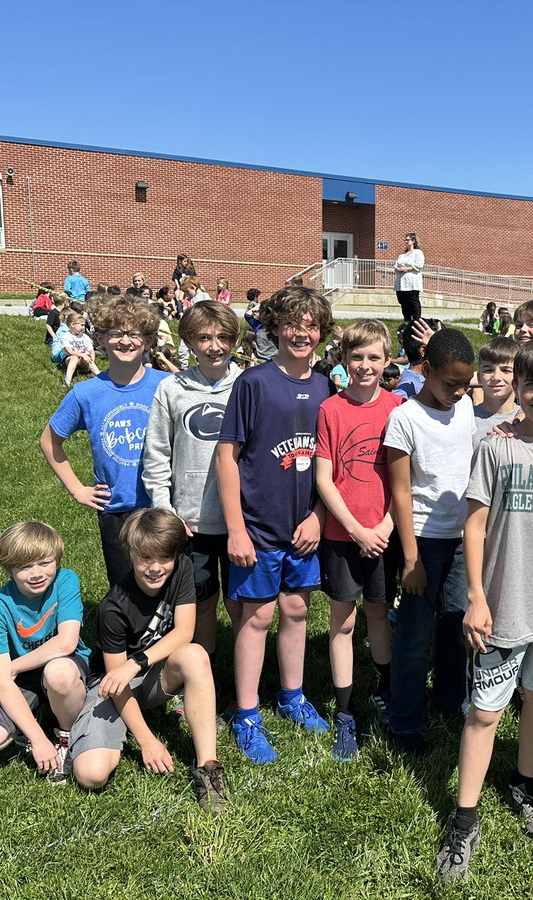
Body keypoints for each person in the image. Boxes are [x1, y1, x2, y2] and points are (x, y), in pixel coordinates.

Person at [435, 340, 533, 881]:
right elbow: (474, 524)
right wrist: (476, 596)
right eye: (532, 385)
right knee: (484, 713)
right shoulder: (496, 448)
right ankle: (464, 817)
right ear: (517, 388)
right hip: (500, 605)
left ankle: (525, 787)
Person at [216, 284, 334, 763]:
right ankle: (246, 713)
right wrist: (236, 528)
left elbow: (335, 463)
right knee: (257, 615)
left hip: (303, 526)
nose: (300, 333)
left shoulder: (329, 386)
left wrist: (320, 516)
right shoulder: (254, 382)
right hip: (259, 525)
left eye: (310, 325)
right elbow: (227, 456)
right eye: (291, 323)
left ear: (322, 333)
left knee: (297, 611)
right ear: (273, 327)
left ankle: (292, 696)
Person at [65, 509, 227, 810]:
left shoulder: (182, 570)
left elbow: (184, 631)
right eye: (145, 559)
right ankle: (89, 731)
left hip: (145, 673)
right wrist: (147, 740)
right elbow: (116, 685)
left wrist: (135, 662)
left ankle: (208, 767)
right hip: (111, 689)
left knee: (195, 655)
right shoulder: (112, 608)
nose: (155, 568)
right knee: (90, 774)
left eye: (164, 558)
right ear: (130, 555)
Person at [384, 327, 477, 756]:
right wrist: (410, 559)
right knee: (414, 636)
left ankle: (446, 701)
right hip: (422, 540)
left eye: (465, 385)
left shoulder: (466, 410)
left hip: (462, 541)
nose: (459, 393)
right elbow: (400, 491)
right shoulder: (404, 418)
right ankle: (403, 722)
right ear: (426, 370)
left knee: (455, 628)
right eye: (451, 383)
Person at [314, 319, 402, 760]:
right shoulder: (331, 409)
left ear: (388, 361)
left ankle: (385, 688)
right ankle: (345, 712)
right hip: (343, 533)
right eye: (357, 357)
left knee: (379, 612)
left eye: (374, 357)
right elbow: (324, 478)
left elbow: (409, 479)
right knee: (343, 621)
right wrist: (355, 529)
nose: (365, 365)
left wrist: (385, 528)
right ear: (343, 361)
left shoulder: (398, 409)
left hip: (385, 535)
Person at [40, 296, 169, 586]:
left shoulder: (166, 386)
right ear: (100, 338)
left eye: (134, 333)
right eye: (116, 333)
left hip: (163, 503)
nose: (125, 341)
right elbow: (49, 441)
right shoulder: (86, 393)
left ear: (147, 341)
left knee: (168, 585)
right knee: (126, 586)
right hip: (116, 508)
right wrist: (77, 490)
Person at [143, 301, 243, 664]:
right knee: (200, 604)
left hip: (240, 523)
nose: (214, 346)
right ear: (187, 340)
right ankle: (204, 676)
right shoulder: (172, 389)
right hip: (189, 522)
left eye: (222, 337)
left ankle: (243, 685)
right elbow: (156, 454)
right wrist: (165, 510)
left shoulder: (247, 386)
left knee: (240, 605)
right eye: (203, 337)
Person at [0, 522, 91, 784]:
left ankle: (66, 736)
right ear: (9, 569)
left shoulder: (65, 580)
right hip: (23, 680)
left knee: (59, 674)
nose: (37, 573)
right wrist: (38, 739)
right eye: (25, 567)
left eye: (44, 562)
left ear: (56, 559)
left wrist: (14, 667)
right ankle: (32, 722)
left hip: (63, 664)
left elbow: (66, 644)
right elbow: (0, 682)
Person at [472, 337, 520, 450]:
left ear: (519, 377)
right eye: (488, 370)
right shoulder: (467, 418)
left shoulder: (529, 418)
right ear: (479, 377)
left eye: (506, 370)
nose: (496, 377)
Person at [59, 311, 100, 386]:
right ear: (72, 325)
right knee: (74, 358)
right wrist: (83, 355)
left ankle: (99, 376)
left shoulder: (85, 337)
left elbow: (92, 351)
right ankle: (67, 379)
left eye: (84, 325)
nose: (83, 327)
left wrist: (91, 361)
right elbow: (70, 351)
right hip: (69, 359)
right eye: (81, 325)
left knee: (87, 358)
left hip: (83, 361)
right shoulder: (66, 336)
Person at [393, 232, 425, 321]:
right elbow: (396, 264)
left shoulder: (418, 252)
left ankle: (416, 320)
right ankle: (407, 319)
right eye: (405, 240)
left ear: (413, 241)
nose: (406, 241)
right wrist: (397, 268)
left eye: (407, 240)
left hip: (412, 282)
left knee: (413, 301)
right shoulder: (402, 254)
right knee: (403, 301)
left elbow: (419, 265)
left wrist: (407, 269)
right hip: (401, 281)